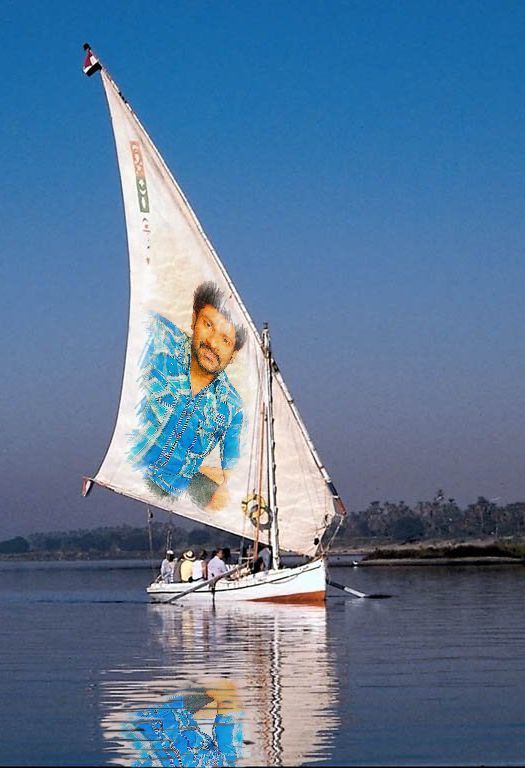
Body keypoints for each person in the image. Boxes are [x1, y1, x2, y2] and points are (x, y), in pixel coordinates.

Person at [129, 281, 247, 511]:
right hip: (132, 474)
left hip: (176, 492)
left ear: (233, 355)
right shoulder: (158, 340)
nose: (212, 343)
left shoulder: (232, 408)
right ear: (194, 320)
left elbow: (236, 474)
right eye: (208, 325)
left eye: (225, 340)